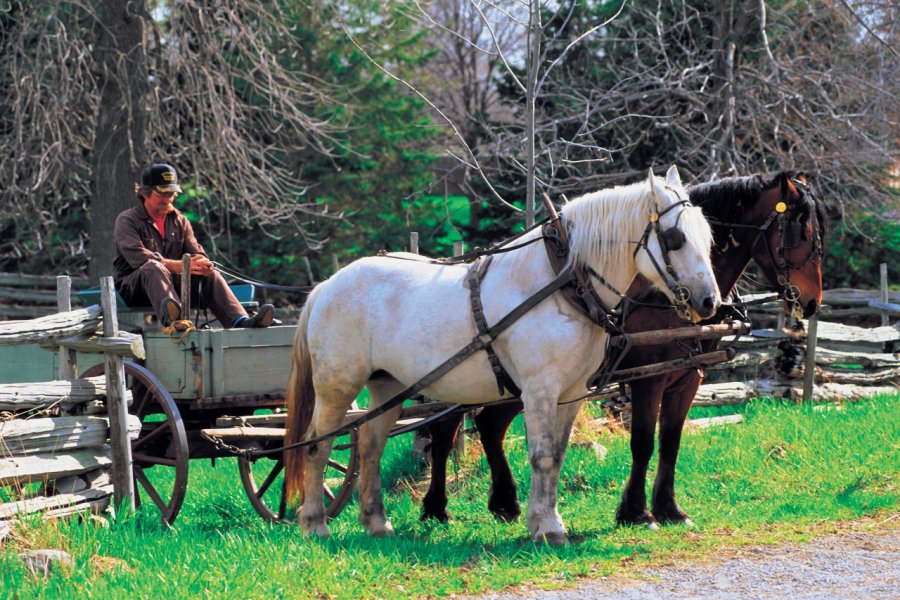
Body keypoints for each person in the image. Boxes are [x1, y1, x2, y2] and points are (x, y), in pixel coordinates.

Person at [113, 163, 274, 329]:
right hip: (134, 290)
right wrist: (179, 266)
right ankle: (176, 322)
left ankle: (241, 321)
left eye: (172, 193)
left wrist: (203, 264)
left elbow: (196, 253)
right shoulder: (127, 220)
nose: (168, 199)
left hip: (171, 290)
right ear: (145, 193)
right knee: (152, 267)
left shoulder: (180, 221)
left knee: (210, 273)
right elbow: (138, 259)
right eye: (162, 194)